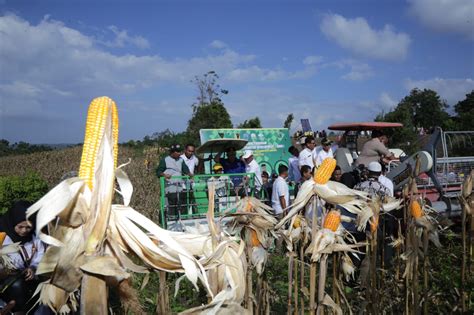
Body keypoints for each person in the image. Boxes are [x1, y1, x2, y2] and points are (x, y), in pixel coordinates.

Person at [0, 201, 45, 314]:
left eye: (28, 227)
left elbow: (41, 257)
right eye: (20, 227)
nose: (24, 231)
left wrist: (33, 268)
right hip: (8, 286)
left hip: (31, 284)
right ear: (13, 222)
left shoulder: (36, 238)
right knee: (17, 286)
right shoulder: (2, 238)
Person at [156, 144, 191, 217]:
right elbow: (158, 172)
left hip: (180, 188)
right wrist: (164, 175)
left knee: (181, 206)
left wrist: (190, 175)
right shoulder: (165, 160)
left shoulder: (181, 160)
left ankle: (182, 221)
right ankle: (172, 222)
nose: (179, 153)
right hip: (170, 189)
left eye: (180, 151)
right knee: (172, 207)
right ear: (172, 152)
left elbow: (186, 170)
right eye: (177, 151)